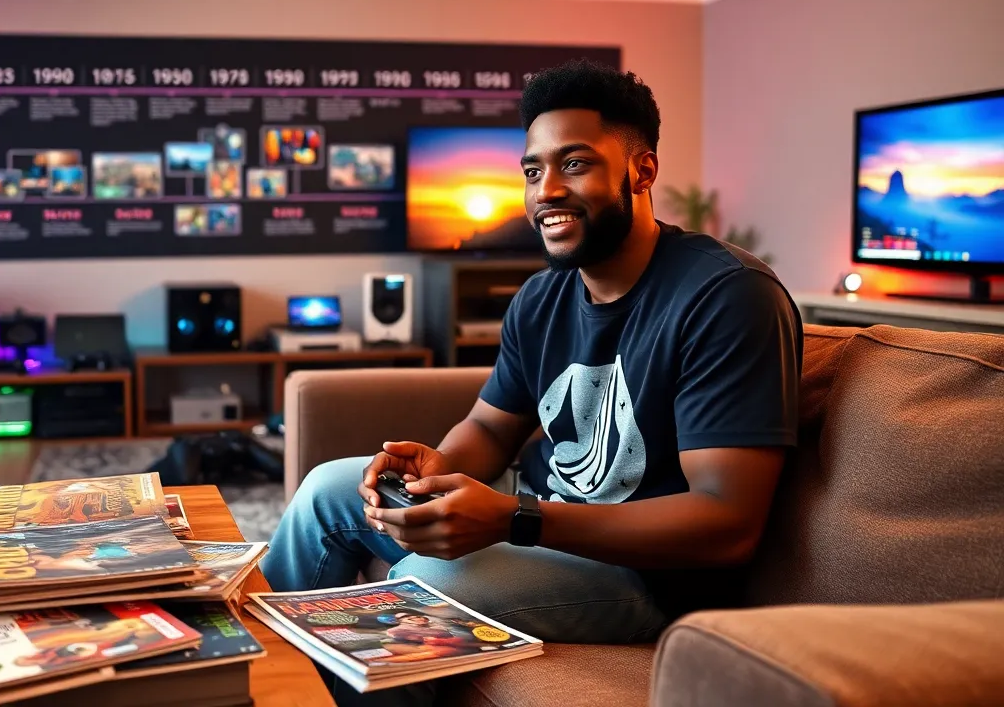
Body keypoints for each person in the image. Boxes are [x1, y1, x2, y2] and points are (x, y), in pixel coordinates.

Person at [260, 58, 802, 706]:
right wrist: (439, 466)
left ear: (642, 169)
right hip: (537, 518)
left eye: (574, 164)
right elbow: (492, 424)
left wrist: (515, 518)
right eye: (532, 169)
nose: (545, 190)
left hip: (645, 578)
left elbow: (727, 521)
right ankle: (260, 685)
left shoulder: (724, 296)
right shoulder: (543, 297)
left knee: (427, 581)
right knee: (327, 488)